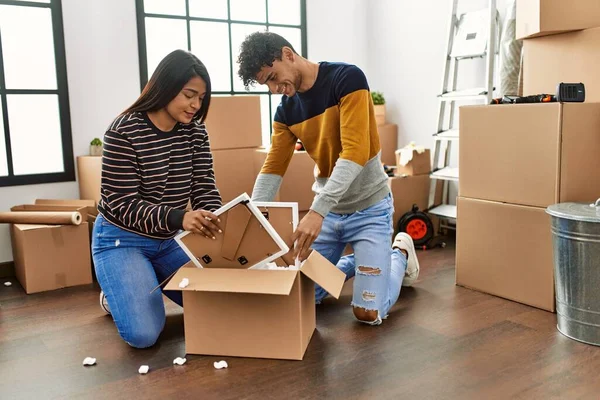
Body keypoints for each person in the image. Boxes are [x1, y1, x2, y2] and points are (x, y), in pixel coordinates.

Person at [238, 32, 420, 325]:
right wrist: (254, 216)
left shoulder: (347, 79)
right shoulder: (286, 111)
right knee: (301, 299)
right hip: (330, 214)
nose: (274, 89)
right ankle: (356, 264)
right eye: (267, 84)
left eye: (273, 77)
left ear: (288, 54)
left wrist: (316, 211)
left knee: (368, 313)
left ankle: (398, 252)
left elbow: (356, 151)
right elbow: (274, 166)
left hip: (369, 210)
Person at [92, 50, 223, 348]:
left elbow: (204, 186)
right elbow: (123, 205)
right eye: (189, 94)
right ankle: (115, 294)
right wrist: (180, 218)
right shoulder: (123, 131)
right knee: (143, 335)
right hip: (121, 239)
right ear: (166, 86)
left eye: (201, 98)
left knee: (221, 307)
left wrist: (220, 216)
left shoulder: (195, 133)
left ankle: (144, 279)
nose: (195, 105)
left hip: (170, 241)